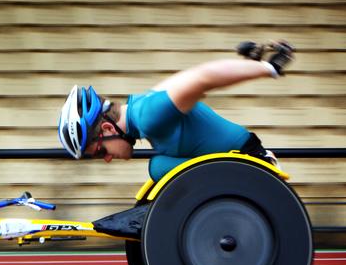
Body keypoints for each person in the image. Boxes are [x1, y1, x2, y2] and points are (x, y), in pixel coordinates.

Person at [57, 41, 295, 182]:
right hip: (239, 162)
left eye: (100, 151)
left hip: (248, 164)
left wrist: (268, 68)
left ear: (108, 128)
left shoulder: (149, 116)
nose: (107, 159)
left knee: (158, 167)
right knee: (159, 166)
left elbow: (203, 77)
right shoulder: (144, 108)